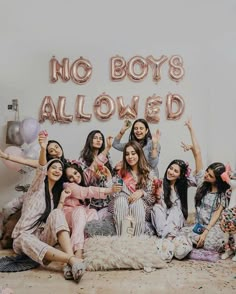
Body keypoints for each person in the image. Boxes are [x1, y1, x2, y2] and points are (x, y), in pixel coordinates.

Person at [11, 131, 86, 283]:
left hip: (42, 236)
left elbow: (55, 217)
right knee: (25, 238)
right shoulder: (37, 187)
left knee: (58, 213)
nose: (58, 170)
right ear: (47, 171)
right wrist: (43, 148)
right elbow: (40, 168)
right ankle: (71, 260)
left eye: (60, 168)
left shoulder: (55, 194)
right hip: (24, 239)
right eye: (54, 167)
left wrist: (62, 200)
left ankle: (69, 262)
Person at [181, 119, 230, 251]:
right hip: (197, 226)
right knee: (180, 234)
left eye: (210, 175)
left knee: (210, 243)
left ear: (217, 180)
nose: (206, 175)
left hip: (211, 229)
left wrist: (206, 232)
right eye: (207, 172)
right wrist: (191, 128)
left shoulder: (222, 195)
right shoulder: (202, 182)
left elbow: (216, 215)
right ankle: (193, 242)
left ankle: (198, 243)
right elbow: (198, 153)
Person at [62, 161, 122, 259]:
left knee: (92, 212)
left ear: (79, 171)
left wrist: (108, 176)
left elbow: (93, 167)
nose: (75, 177)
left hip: (81, 218)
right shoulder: (69, 186)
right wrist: (109, 190)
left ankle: (89, 244)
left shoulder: (84, 182)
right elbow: (87, 191)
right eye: (70, 177)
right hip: (69, 217)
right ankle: (77, 252)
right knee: (80, 210)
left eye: (75, 173)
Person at [109, 140, 156, 236]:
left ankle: (136, 241)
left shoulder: (149, 173)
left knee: (137, 202)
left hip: (142, 208)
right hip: (123, 205)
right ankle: (122, 238)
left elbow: (152, 199)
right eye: (127, 154)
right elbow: (114, 195)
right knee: (121, 200)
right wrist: (117, 191)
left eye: (133, 153)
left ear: (139, 154)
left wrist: (142, 192)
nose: (130, 157)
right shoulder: (121, 173)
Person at [151, 159, 196, 239]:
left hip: (176, 220)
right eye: (170, 168)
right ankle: (165, 235)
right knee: (156, 208)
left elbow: (195, 182)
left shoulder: (182, 186)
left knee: (174, 209)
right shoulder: (160, 183)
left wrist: (187, 173)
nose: (171, 172)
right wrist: (157, 195)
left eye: (175, 171)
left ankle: (169, 236)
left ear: (180, 175)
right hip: (162, 220)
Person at [78, 131, 114, 215]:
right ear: (90, 140)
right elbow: (84, 181)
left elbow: (111, 177)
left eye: (101, 139)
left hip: (106, 201)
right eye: (95, 138)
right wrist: (95, 177)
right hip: (91, 202)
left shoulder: (107, 157)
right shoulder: (82, 160)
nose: (98, 140)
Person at [220, 165, 236, 261]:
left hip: (233, 211)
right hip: (229, 211)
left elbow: (226, 177)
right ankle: (227, 250)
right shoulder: (231, 187)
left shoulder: (233, 184)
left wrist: (227, 174)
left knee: (234, 234)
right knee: (225, 233)